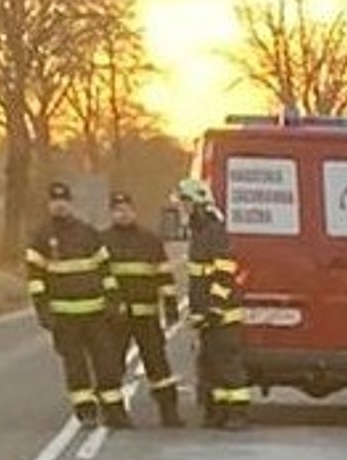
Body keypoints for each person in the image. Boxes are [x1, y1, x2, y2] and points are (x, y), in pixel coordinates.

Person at [23, 180, 128, 428]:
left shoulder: (88, 233)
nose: (59, 206)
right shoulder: (40, 237)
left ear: (70, 203)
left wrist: (113, 301)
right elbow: (35, 279)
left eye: (63, 201)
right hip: (64, 317)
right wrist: (43, 310)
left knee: (107, 363)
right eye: (55, 201)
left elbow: (106, 271)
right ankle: (86, 411)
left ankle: (114, 411)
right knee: (75, 366)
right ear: (49, 205)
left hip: (96, 313)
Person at [101, 189, 184, 426]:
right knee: (112, 365)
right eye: (117, 211)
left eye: (126, 209)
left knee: (158, 365)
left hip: (147, 315)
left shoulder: (150, 240)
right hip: (116, 318)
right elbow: (99, 278)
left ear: (133, 211)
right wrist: (110, 307)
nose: (122, 214)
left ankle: (169, 413)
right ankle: (114, 414)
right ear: (111, 214)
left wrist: (170, 307)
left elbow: (164, 275)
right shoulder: (103, 242)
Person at [180, 178, 251, 428]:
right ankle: (220, 412)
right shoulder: (199, 232)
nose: (183, 208)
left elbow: (224, 272)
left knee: (227, 364)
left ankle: (237, 413)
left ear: (198, 204)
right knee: (211, 365)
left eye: (186, 202)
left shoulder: (214, 232)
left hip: (222, 314)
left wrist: (214, 306)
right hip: (208, 314)